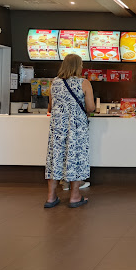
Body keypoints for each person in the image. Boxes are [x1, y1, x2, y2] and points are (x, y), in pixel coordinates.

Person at [44, 54, 95, 208]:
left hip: (58, 129)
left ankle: (51, 197)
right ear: (78, 66)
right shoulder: (84, 83)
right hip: (76, 129)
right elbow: (90, 108)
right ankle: (74, 196)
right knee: (76, 158)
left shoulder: (54, 83)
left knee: (55, 159)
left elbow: (50, 108)